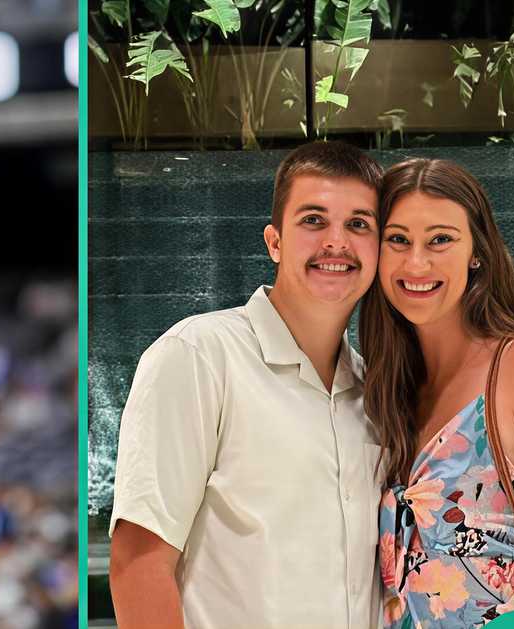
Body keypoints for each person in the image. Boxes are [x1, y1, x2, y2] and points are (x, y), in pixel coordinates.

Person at [109, 141, 387, 628]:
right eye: (314, 220)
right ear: (274, 241)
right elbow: (138, 564)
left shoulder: (373, 391)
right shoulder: (198, 355)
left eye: (358, 224)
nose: (336, 242)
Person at [360, 158, 514, 627]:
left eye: (441, 240)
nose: (417, 262)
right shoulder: (389, 392)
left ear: (477, 251)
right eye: (398, 240)